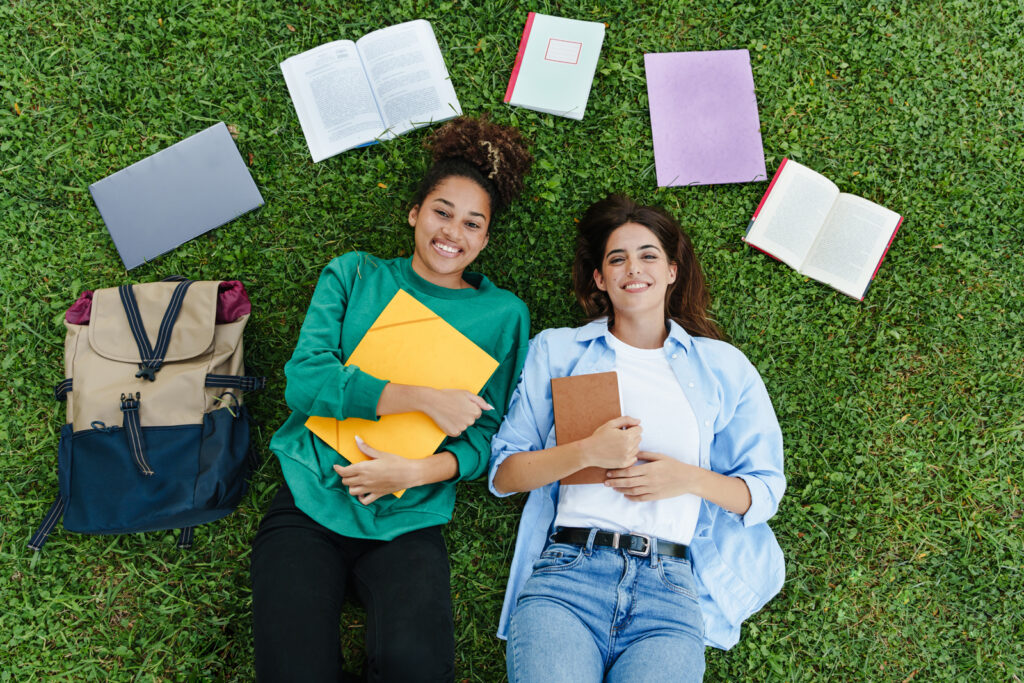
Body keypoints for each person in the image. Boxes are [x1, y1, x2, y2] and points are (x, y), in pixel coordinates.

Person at [251, 117, 533, 683]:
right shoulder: (355, 274)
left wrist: (414, 469)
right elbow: (305, 382)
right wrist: (421, 398)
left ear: (485, 239)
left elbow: (486, 437)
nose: (453, 232)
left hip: (408, 518)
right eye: (442, 211)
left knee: (419, 671)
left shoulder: (504, 316)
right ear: (414, 212)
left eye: (473, 223)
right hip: (311, 499)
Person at [489, 194, 786, 682]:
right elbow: (505, 474)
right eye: (616, 258)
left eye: (648, 255)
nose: (634, 268)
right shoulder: (559, 350)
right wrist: (586, 451)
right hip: (568, 576)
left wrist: (686, 478)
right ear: (600, 279)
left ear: (671, 270)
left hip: (669, 592)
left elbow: (764, 492)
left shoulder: (723, 368)